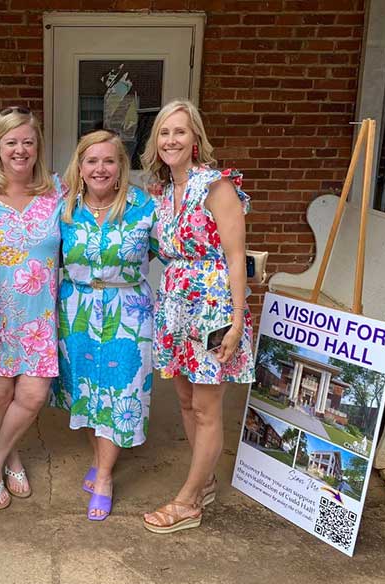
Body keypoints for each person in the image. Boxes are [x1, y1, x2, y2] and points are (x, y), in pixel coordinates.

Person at [140, 99, 254, 534]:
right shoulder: (164, 192)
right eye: (164, 133)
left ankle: (187, 502)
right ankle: (203, 481)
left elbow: (236, 255)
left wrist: (238, 320)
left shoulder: (217, 187)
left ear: (195, 139)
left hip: (214, 309)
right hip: (176, 305)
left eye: (180, 132)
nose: (171, 140)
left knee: (207, 407)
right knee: (187, 400)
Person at [55, 130, 158, 521]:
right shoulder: (64, 208)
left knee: (119, 390)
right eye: (91, 161)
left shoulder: (144, 207)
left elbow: (177, 250)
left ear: (120, 168)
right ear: (80, 167)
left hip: (127, 309)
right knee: (85, 389)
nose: (100, 168)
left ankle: (105, 477)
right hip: (76, 308)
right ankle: (99, 461)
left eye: (109, 161)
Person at [0, 107, 64, 509]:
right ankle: (13, 458)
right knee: (0, 392)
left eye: (28, 141)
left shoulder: (57, 191)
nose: (20, 149)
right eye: (11, 142)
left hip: (40, 315)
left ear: (37, 146)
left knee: (33, 394)